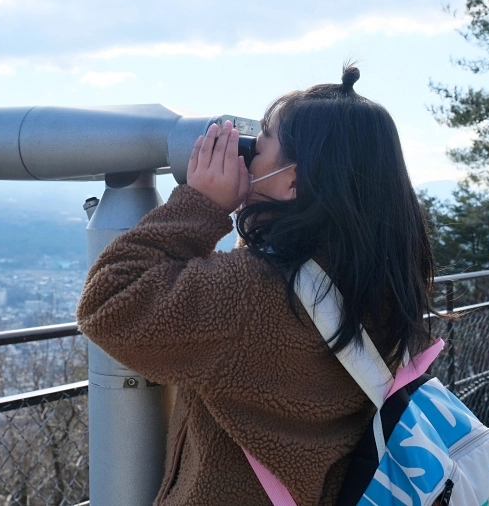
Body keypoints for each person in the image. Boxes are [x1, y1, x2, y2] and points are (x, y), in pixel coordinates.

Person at [76, 66, 438, 506]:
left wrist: (201, 204)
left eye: (258, 148)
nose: (245, 161)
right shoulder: (379, 278)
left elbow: (110, 304)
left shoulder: (255, 295)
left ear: (293, 181)